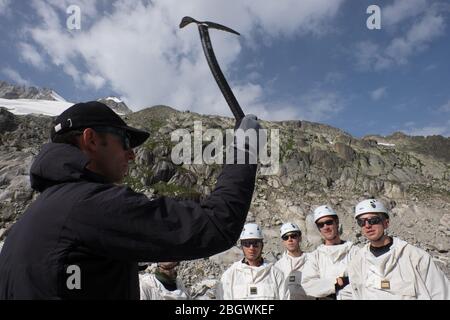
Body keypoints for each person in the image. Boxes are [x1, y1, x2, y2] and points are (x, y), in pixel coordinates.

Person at [0, 101, 259, 299]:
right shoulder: (89, 205)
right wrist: (246, 147)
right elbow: (216, 224)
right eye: (124, 141)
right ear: (91, 139)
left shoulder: (29, 221)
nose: (132, 155)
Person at [344, 199, 450, 300]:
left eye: (373, 220)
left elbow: (441, 294)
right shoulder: (357, 262)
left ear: (386, 223)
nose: (367, 225)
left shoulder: (416, 257)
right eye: (361, 222)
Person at [217, 223, 289, 300]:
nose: (251, 248)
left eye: (255, 243)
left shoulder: (275, 274)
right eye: (247, 244)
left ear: (262, 245)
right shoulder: (230, 275)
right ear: (242, 246)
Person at [302, 205, 359, 299]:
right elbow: (308, 285)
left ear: (336, 222)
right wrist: (337, 282)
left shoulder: (355, 252)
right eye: (321, 225)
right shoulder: (314, 257)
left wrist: (324, 286)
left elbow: (362, 280)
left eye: (329, 222)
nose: (325, 227)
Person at [274, 222, 311, 300]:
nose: (290, 239)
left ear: (300, 238)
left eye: (293, 236)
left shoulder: (312, 260)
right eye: (286, 237)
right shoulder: (278, 267)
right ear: (283, 242)